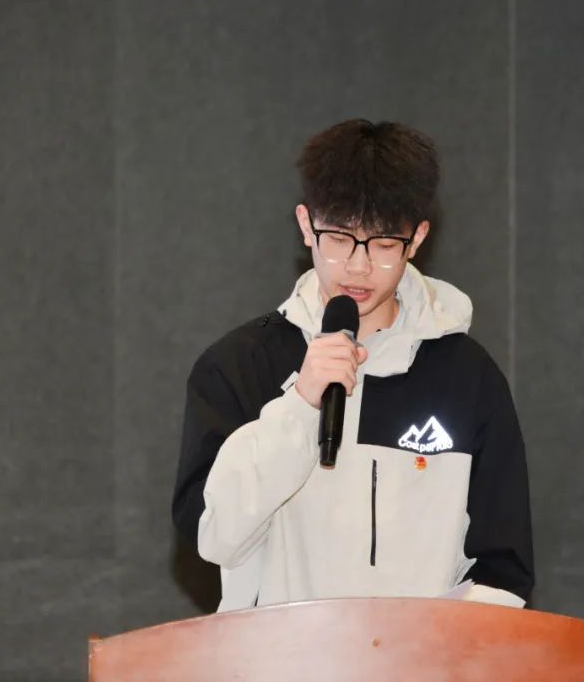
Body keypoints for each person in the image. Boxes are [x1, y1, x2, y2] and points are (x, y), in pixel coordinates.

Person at [172, 119, 534, 612]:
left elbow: (503, 570)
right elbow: (212, 536)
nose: (359, 267)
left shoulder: (468, 378)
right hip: (279, 652)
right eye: (340, 238)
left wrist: (436, 649)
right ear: (306, 225)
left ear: (417, 238)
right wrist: (300, 405)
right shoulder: (240, 365)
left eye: (383, 245)